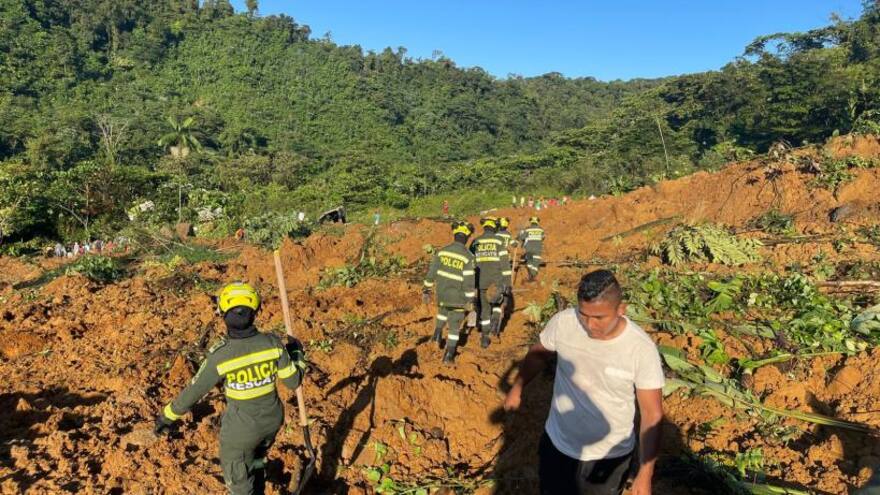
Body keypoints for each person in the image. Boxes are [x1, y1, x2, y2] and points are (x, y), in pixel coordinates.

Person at [503, 270, 664, 495]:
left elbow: (651, 414)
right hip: (558, 444)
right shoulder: (564, 323)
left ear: (621, 310)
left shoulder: (640, 349)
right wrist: (518, 387)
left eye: (599, 318)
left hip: (608, 457)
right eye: (583, 314)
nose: (589, 325)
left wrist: (645, 474)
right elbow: (539, 353)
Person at [154, 282, 306, 495]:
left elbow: (194, 391)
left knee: (238, 478)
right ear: (255, 312)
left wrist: (166, 417)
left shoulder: (221, 355)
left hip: (240, 432)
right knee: (257, 458)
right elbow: (293, 381)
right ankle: (259, 483)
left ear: (222, 313)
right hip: (272, 421)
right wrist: (297, 354)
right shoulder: (272, 344)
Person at [422, 221, 477, 364]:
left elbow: (431, 273)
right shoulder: (468, 257)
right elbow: (469, 282)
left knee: (442, 312)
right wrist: (471, 300)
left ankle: (437, 335)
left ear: (454, 236)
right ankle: (449, 354)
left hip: (442, 294)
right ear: (466, 238)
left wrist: (426, 290)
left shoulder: (442, 251)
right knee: (454, 326)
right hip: (458, 298)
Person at [469, 217, 512, 346]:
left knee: (484, 309)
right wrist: (508, 284)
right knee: (498, 303)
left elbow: (470, 262)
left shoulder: (475, 242)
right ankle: (495, 322)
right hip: (497, 281)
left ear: (484, 227)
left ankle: (485, 336)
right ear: (495, 227)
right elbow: (505, 265)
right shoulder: (499, 241)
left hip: (481, 282)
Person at [517, 216, 545, 281]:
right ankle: (533, 275)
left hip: (529, 249)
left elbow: (521, 238)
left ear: (531, 222)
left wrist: (519, 235)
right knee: (536, 262)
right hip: (538, 249)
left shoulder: (527, 230)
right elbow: (543, 238)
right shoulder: (541, 230)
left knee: (529, 262)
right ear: (537, 222)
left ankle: (531, 274)